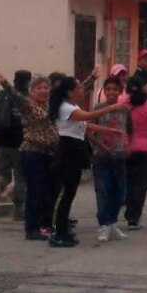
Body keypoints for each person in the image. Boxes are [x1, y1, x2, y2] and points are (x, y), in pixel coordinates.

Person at [48, 73, 123, 247]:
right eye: (78, 88)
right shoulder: (65, 107)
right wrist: (110, 109)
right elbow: (87, 117)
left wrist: (108, 130)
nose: (82, 90)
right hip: (66, 149)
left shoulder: (73, 106)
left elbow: (85, 125)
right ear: (69, 92)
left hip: (76, 148)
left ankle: (63, 229)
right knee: (65, 192)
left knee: (72, 191)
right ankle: (56, 231)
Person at [0, 71, 58, 241]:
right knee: (34, 191)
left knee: (45, 192)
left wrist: (92, 79)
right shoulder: (28, 105)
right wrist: (4, 82)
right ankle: (31, 228)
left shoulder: (50, 106)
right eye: (38, 88)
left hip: (50, 153)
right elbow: (15, 96)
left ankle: (43, 225)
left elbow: (73, 94)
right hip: (33, 153)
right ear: (31, 90)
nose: (43, 90)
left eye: (46, 87)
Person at [88, 76, 132, 243]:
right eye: (108, 89)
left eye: (115, 89)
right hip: (101, 156)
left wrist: (129, 146)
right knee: (103, 190)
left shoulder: (125, 110)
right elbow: (88, 129)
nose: (111, 92)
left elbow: (130, 129)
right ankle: (104, 224)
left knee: (120, 191)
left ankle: (112, 223)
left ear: (120, 91)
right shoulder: (98, 108)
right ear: (104, 91)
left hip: (119, 156)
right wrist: (100, 145)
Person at [0, 69, 31, 221]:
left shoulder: (1, 96)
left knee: (3, 175)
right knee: (21, 177)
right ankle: (18, 211)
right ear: (28, 82)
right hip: (20, 143)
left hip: (1, 142)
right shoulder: (27, 98)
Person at [123, 76, 147, 230]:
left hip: (124, 148)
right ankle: (134, 217)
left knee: (126, 182)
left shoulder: (121, 103)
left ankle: (123, 211)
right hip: (144, 149)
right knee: (139, 185)